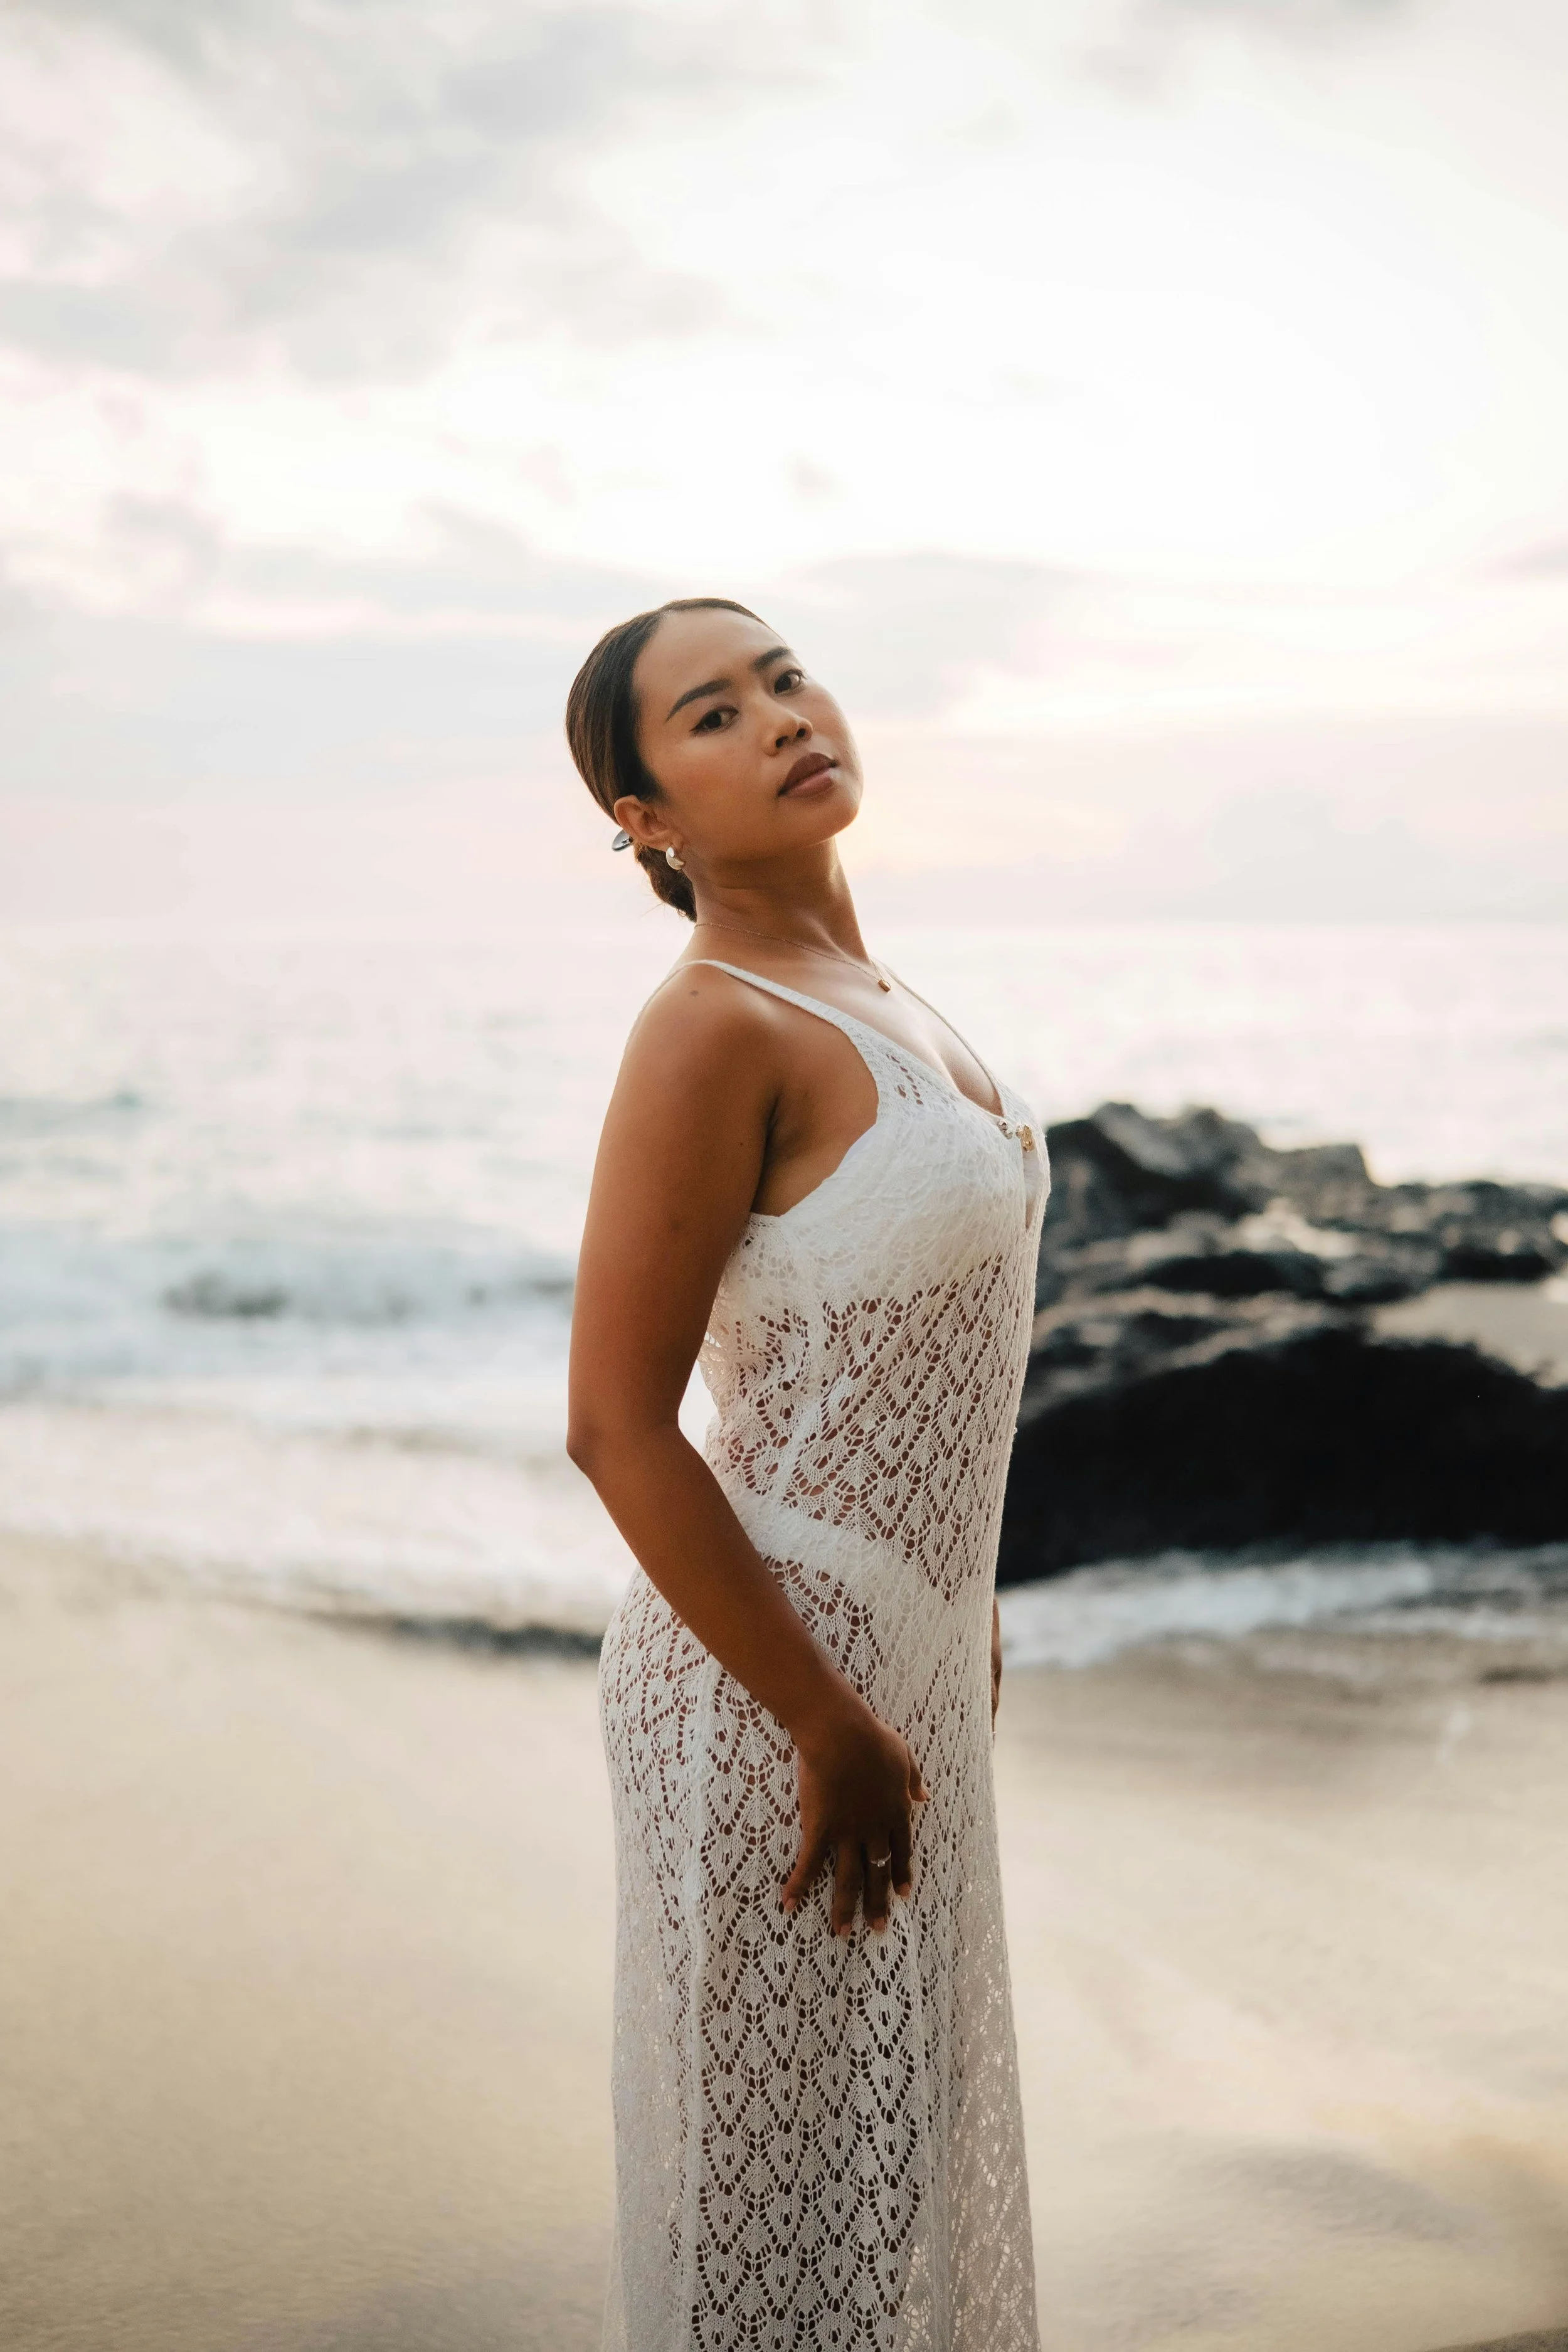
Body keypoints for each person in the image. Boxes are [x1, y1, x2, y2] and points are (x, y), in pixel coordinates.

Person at [565, 596, 1046, 2351]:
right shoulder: (710, 1027)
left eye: (782, 675)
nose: (777, 715)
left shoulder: (888, 993)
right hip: (768, 1693)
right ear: (647, 820)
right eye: (709, 713)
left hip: (899, 1675)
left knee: (889, 2201)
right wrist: (824, 1715)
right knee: (769, 2246)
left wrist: (955, 1620)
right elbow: (616, 1423)